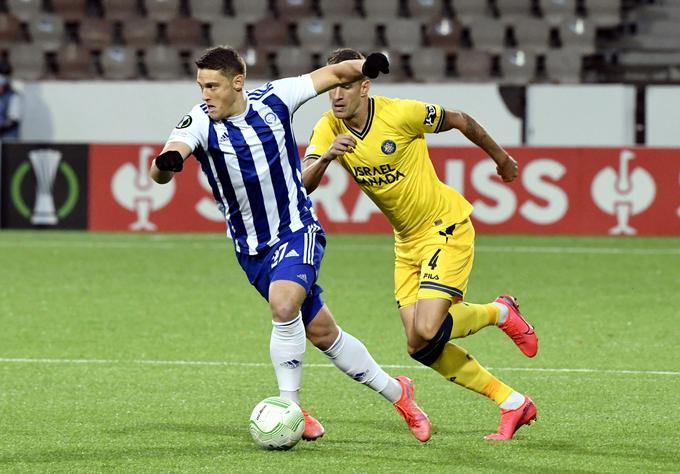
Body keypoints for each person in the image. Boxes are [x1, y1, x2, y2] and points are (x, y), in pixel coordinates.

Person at [149, 46, 432, 443]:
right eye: (200, 86)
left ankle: (290, 410)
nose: (205, 95)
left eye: (212, 86)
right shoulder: (199, 122)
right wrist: (168, 163)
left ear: (237, 83)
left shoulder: (276, 98)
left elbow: (330, 75)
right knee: (322, 333)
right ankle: (399, 392)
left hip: (297, 229)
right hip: (252, 251)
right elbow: (164, 163)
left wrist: (366, 65)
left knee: (284, 306)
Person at [302, 48, 539, 440]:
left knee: (428, 328)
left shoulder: (401, 113)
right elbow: (305, 184)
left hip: (444, 226)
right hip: (406, 242)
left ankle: (500, 312)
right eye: (331, 87)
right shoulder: (328, 127)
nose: (337, 95)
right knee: (419, 346)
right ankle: (513, 402)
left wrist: (502, 158)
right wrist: (326, 158)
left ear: (365, 86)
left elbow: (460, 119)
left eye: (345, 86)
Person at [0, 71, 22, 141]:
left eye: (1, 85)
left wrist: (2, 129)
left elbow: (14, 121)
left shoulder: (13, 96)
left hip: (8, 137)